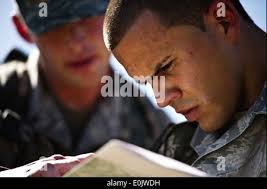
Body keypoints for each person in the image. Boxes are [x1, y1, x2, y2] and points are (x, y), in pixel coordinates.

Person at [0, 0, 170, 176]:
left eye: (88, 16)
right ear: (23, 28)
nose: (77, 42)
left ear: (119, 17)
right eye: (55, 23)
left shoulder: (154, 127)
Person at [103, 0, 266, 176]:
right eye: (147, 82)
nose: (161, 100)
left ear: (224, 22)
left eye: (165, 66)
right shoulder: (176, 150)